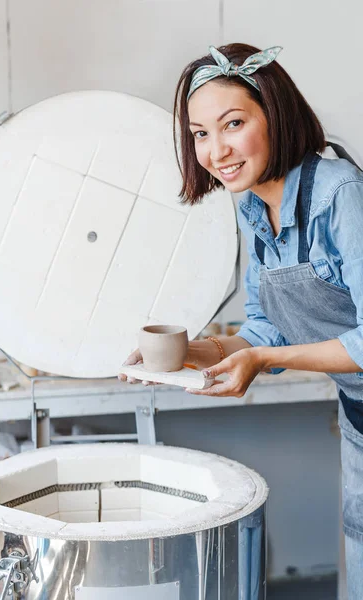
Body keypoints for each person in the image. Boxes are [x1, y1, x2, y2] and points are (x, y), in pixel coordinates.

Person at [118, 42, 363, 597]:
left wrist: (262, 359)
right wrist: (185, 356)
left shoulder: (341, 195)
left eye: (232, 123)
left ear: (274, 114)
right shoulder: (255, 208)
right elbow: (265, 329)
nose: (215, 150)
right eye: (200, 133)